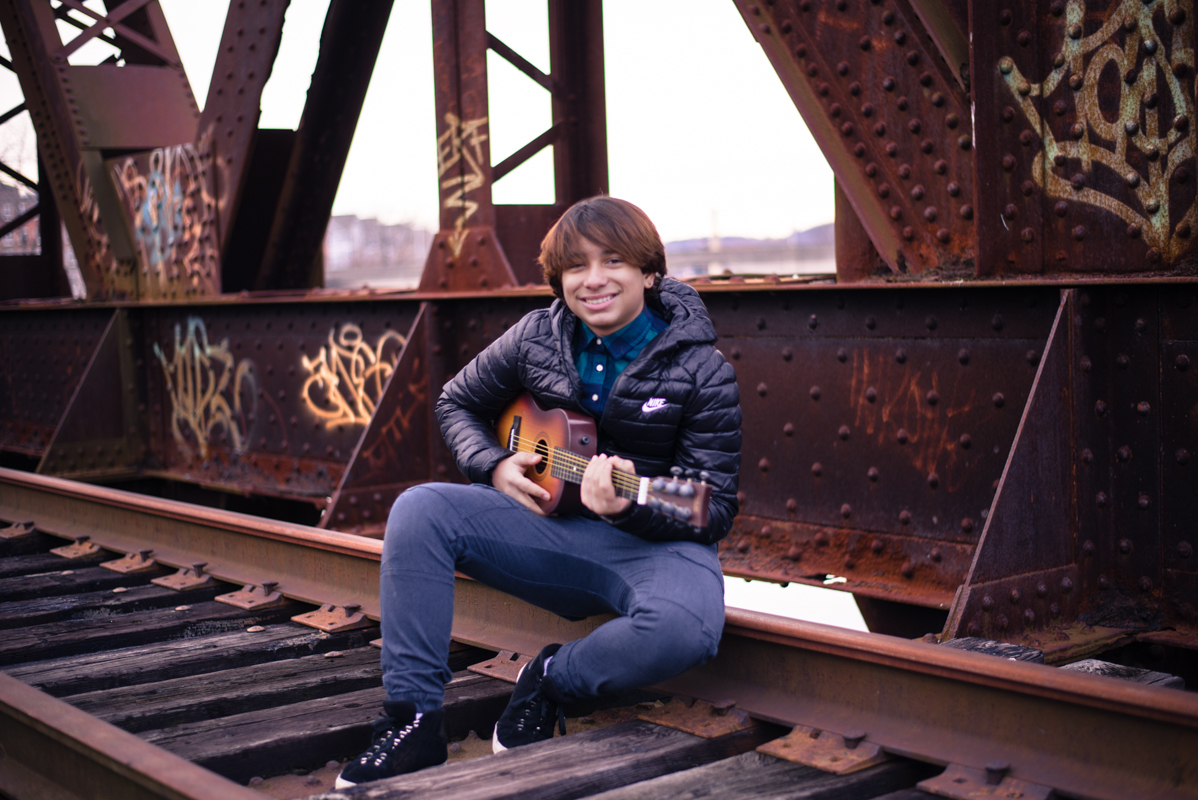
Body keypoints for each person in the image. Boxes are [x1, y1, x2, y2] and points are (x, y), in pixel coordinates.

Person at [337, 196, 742, 788]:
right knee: (419, 510)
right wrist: (494, 465)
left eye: (613, 262)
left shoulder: (703, 370)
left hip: (651, 543)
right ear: (560, 280)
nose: (594, 280)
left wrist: (632, 503)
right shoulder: (537, 335)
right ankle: (413, 722)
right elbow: (457, 402)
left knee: (685, 629)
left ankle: (552, 677)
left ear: (649, 273)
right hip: (549, 525)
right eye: (576, 266)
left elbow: (714, 504)